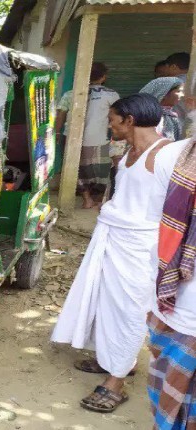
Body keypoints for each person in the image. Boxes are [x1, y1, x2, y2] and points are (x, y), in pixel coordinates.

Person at [51, 94, 171, 413]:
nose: (109, 124)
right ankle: (115, 359)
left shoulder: (169, 154)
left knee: (130, 309)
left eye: (112, 118)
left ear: (129, 120)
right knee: (107, 301)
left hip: (143, 247)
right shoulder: (127, 152)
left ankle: (116, 382)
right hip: (114, 239)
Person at [144, 114, 196, 428]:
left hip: (173, 298)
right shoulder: (171, 156)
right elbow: (157, 228)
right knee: (168, 395)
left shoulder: (173, 155)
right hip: (175, 302)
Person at [55, 62, 119, 208]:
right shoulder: (111, 95)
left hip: (70, 138)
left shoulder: (70, 94)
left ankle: (86, 199)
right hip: (99, 139)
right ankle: (96, 200)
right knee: (100, 172)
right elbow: (117, 116)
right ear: (103, 77)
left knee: (76, 170)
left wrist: (57, 133)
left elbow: (61, 115)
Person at [140, 77, 184, 141]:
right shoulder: (146, 117)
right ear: (164, 93)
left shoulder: (171, 116)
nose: (182, 95)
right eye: (179, 91)